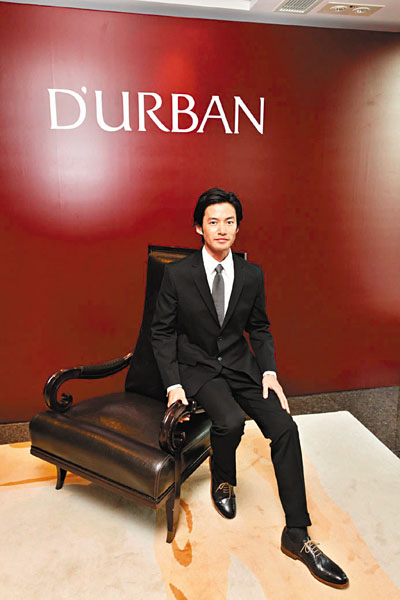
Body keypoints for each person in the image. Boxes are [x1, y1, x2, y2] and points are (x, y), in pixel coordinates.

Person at [151, 188, 348, 589]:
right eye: (213, 222)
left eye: (229, 221)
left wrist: (269, 372)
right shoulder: (178, 274)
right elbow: (162, 332)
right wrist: (173, 384)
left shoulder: (251, 274)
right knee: (229, 421)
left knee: (286, 428)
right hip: (198, 367)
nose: (222, 229)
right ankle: (224, 478)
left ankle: (297, 534)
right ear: (199, 228)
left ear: (238, 227)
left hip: (242, 365)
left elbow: (259, 327)